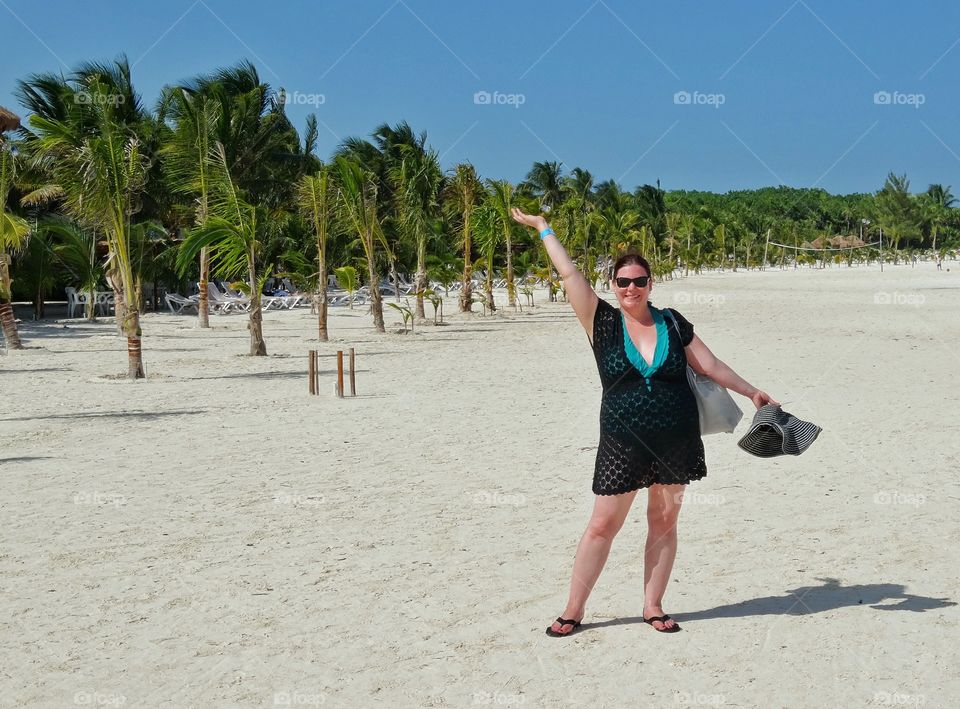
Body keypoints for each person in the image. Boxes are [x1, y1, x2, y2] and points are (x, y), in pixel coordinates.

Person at [510, 207, 778, 635]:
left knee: (665, 521)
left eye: (639, 281)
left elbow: (708, 365)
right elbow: (569, 276)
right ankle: (574, 609)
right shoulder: (601, 321)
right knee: (602, 525)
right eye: (623, 282)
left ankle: (653, 606)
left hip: (676, 436)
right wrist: (544, 228)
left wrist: (751, 391)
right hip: (622, 439)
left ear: (650, 284)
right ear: (612, 286)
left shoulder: (672, 321)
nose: (631, 288)